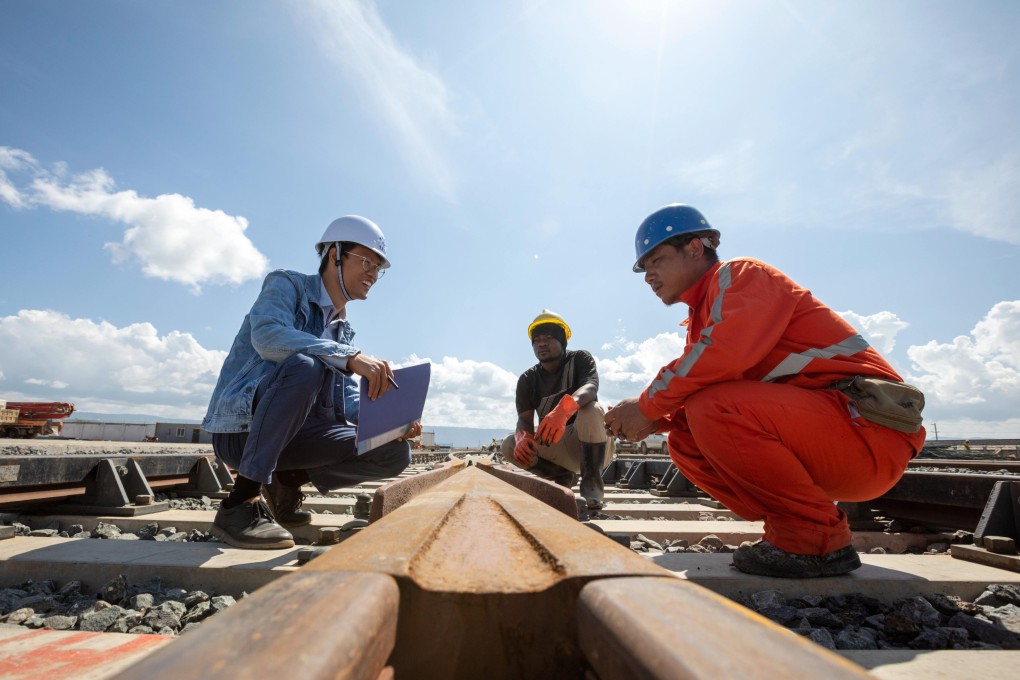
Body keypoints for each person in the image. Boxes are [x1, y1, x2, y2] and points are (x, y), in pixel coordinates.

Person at [604, 204, 925, 577]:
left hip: (868, 429)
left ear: (695, 248)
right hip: (836, 436)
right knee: (684, 439)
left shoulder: (741, 276)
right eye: (644, 268)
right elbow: (719, 382)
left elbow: (722, 355)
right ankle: (793, 525)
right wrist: (658, 421)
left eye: (656, 260)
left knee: (713, 407)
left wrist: (646, 406)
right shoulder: (703, 313)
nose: (648, 276)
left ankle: (814, 539)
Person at [201, 215, 421, 549]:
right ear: (335, 254)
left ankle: (285, 481)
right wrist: (347, 357)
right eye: (366, 262)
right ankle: (239, 504)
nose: (373, 275)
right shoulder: (286, 285)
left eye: (379, 268)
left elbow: (348, 400)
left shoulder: (342, 330)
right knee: (304, 365)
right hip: (242, 431)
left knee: (394, 452)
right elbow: (267, 336)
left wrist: (392, 422)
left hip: (299, 438)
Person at [501, 310, 614, 511]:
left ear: (562, 341)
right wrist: (522, 437)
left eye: (549, 337)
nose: (541, 343)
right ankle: (560, 477)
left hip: (590, 444)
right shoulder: (527, 379)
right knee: (509, 445)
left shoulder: (579, 359)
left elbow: (591, 387)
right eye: (536, 340)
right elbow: (524, 419)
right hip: (557, 445)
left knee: (591, 409)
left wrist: (563, 410)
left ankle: (592, 486)